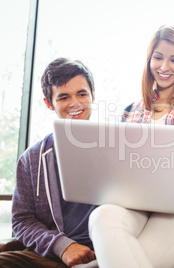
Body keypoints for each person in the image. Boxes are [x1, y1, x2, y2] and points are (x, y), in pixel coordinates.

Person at [88, 25, 174, 268]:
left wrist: (158, 182)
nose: (164, 67)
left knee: (134, 256)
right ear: (149, 59)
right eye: (158, 57)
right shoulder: (131, 111)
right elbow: (118, 166)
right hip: (137, 205)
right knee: (101, 216)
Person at [0, 58, 98, 267]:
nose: (75, 103)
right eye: (64, 97)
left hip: (105, 252)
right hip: (51, 255)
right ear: (48, 102)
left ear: (93, 95)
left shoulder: (118, 146)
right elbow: (22, 221)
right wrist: (63, 246)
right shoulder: (31, 159)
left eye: (82, 94)